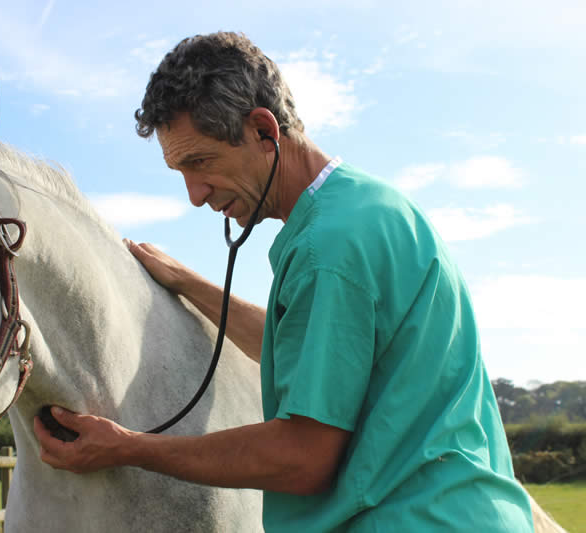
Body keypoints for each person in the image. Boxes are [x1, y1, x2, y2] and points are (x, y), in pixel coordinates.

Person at [34, 31, 534, 531]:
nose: (195, 194)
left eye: (200, 162)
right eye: (180, 171)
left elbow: (301, 458)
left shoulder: (328, 248)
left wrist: (129, 447)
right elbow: (314, 347)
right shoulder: (368, 207)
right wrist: (190, 284)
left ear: (262, 130)